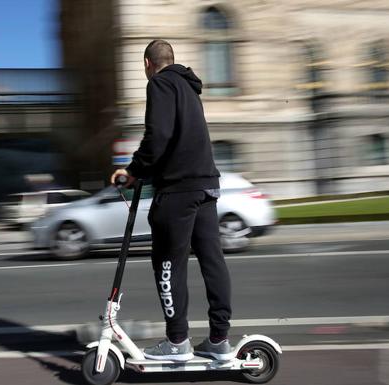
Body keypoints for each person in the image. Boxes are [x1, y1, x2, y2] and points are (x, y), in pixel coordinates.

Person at [110, 39, 234, 362]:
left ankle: (177, 341)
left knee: (168, 264)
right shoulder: (190, 89)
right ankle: (219, 339)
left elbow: (158, 136)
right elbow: (179, 140)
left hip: (179, 190)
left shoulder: (160, 85)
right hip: (206, 185)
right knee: (212, 260)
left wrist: (134, 170)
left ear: (147, 64)